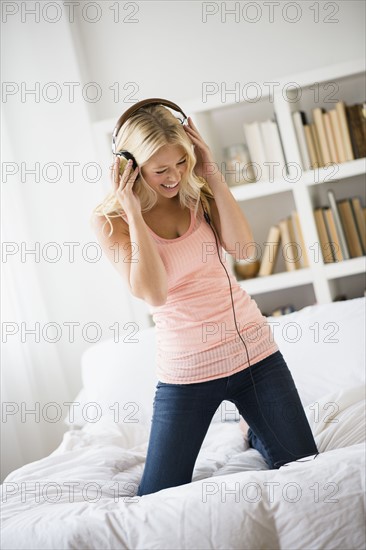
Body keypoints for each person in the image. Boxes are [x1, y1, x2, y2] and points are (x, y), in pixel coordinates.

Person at [91, 103, 319, 497]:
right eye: (160, 169)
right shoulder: (111, 221)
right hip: (186, 374)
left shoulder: (199, 191)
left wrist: (210, 169)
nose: (175, 176)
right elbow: (154, 292)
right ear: (129, 167)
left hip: (254, 356)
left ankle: (254, 431)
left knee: (303, 466)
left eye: (182, 161)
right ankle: (256, 427)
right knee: (158, 493)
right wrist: (132, 210)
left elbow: (244, 248)